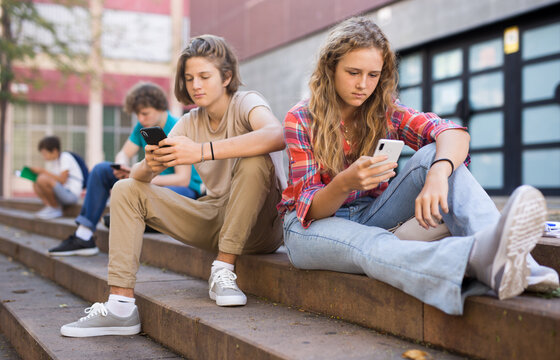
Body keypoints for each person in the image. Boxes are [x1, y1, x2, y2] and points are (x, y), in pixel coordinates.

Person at [277, 17, 558, 316]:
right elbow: (311, 209)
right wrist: (345, 182)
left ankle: (519, 265)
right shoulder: (301, 118)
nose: (363, 85)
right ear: (330, 68)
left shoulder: (383, 111)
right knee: (371, 244)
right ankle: (473, 258)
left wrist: (439, 172)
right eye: (353, 72)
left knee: (433, 155)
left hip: (372, 214)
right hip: (310, 229)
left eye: (373, 75)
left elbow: (451, 132)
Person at [59, 34, 286, 337]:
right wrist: (148, 164)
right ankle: (120, 307)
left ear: (226, 76)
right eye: (190, 78)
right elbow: (142, 175)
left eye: (205, 76)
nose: (196, 85)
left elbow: (275, 135)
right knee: (126, 189)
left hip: (261, 224)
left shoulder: (246, 102)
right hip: (215, 215)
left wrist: (202, 151)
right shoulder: (189, 122)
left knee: (255, 160)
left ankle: (223, 270)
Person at [48, 82, 203, 257]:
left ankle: (139, 220)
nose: (141, 119)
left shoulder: (178, 128)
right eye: (137, 114)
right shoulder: (142, 127)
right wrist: (122, 166)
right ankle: (83, 236)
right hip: (147, 182)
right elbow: (123, 153)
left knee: (136, 194)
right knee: (101, 170)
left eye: (145, 113)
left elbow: (182, 179)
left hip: (183, 191)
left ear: (161, 108)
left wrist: (139, 177)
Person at [31, 136, 83, 219]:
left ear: (54, 151)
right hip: (62, 192)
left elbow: (62, 180)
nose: (44, 156)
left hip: (71, 195)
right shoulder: (54, 162)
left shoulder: (65, 157)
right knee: (36, 181)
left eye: (45, 153)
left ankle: (55, 209)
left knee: (41, 179)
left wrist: (43, 171)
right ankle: (50, 207)